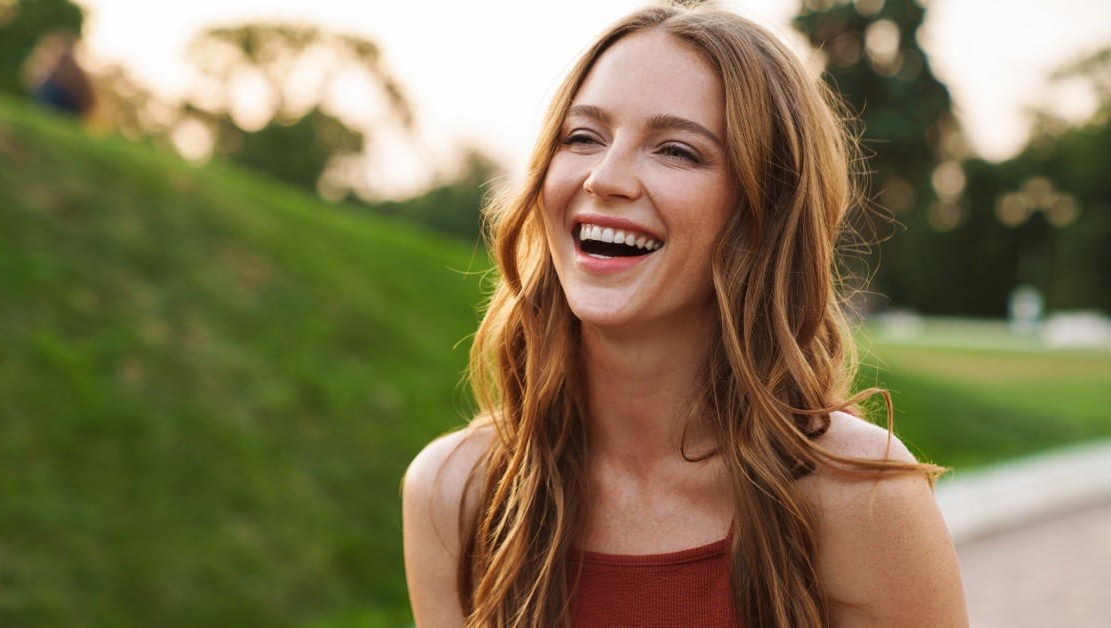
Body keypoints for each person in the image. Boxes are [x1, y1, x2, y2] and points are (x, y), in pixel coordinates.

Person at [403, 3, 968, 627]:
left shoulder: (864, 500)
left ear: (762, 216)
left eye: (675, 150)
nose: (604, 178)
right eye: (582, 137)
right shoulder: (453, 491)